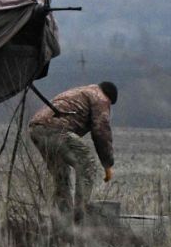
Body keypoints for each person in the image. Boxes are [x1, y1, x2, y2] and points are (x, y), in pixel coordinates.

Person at [28, 81, 117, 218]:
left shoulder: (82, 91)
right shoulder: (101, 98)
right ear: (110, 98)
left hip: (36, 129)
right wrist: (107, 164)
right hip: (56, 129)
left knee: (61, 174)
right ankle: (80, 215)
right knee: (87, 163)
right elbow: (101, 130)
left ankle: (62, 218)